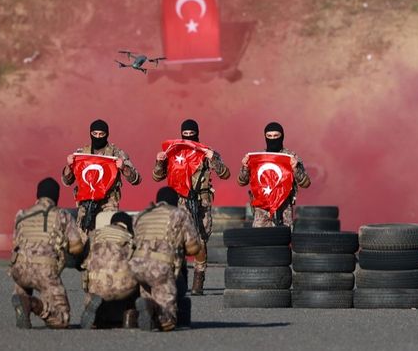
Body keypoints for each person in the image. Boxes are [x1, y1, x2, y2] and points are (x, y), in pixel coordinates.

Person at [152, 119, 230, 295]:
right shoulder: (173, 151)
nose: (188, 137)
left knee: (200, 240)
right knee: (177, 240)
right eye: (185, 134)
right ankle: (178, 278)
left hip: (201, 201)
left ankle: (198, 279)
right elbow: (157, 177)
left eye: (191, 134)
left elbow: (225, 174)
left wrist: (213, 158)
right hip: (179, 201)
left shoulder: (205, 152)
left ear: (197, 133)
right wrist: (160, 162)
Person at [9, 177, 84, 329]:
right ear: (56, 196)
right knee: (62, 319)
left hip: (19, 271)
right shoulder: (62, 215)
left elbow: (15, 244)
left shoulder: (21, 214)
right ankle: (33, 304)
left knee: (24, 274)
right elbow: (76, 247)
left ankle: (21, 298)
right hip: (44, 272)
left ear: (38, 195)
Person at [130, 187, 201, 332]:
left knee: (148, 289)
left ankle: (148, 306)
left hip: (136, 266)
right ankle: (161, 315)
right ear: (175, 201)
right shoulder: (179, 214)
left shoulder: (141, 215)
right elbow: (193, 248)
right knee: (168, 320)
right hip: (160, 267)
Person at [61, 119, 141, 230]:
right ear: (90, 133)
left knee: (106, 235)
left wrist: (123, 167)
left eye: (101, 134)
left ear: (106, 134)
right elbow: (66, 182)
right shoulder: (81, 154)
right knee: (83, 236)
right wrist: (69, 166)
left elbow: (136, 179)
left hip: (107, 204)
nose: (98, 137)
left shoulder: (116, 153)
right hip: (85, 205)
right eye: (94, 134)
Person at [238, 122, 311, 227]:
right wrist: (245, 167)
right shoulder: (259, 158)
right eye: (269, 136)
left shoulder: (291, 157)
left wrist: (295, 168)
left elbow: (305, 183)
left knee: (283, 237)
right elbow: (241, 181)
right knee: (260, 237)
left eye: (276, 136)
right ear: (265, 137)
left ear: (282, 136)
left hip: (284, 211)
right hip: (262, 213)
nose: (272, 139)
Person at [81, 212, 138, 329]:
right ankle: (129, 317)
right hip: (123, 288)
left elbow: (79, 262)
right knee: (139, 276)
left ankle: (96, 315)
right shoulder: (131, 239)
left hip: (96, 286)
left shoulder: (94, 236)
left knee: (91, 278)